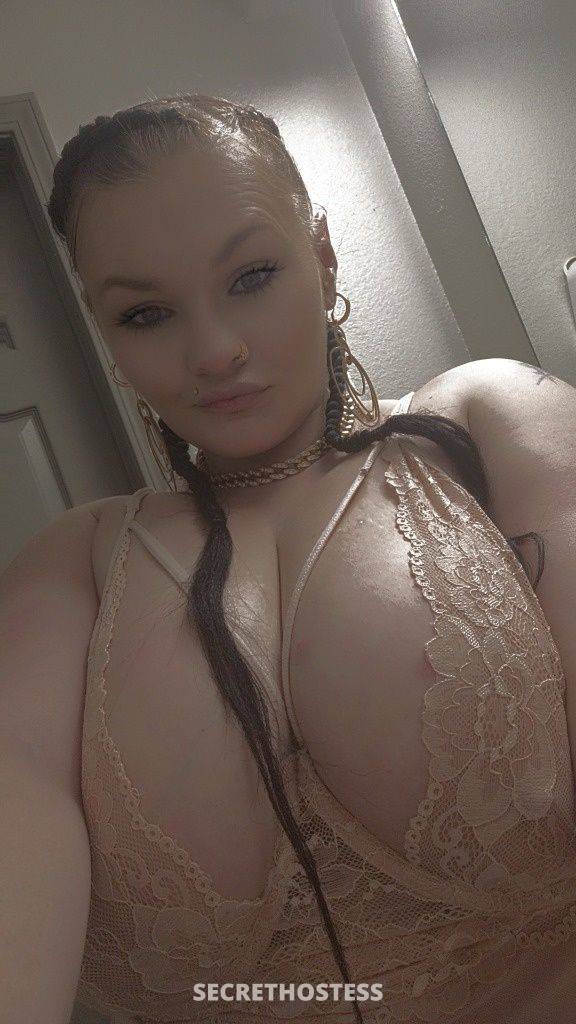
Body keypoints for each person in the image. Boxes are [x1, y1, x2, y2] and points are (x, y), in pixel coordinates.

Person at [3, 93, 574, 1024]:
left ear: (323, 253)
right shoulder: (73, 567)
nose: (214, 351)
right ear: (107, 337)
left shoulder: (490, 423)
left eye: (253, 275)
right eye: (146, 314)